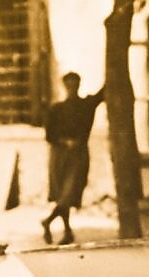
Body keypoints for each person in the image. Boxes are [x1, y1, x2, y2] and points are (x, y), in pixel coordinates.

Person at [42, 72, 105, 245]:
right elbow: (49, 135)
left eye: (75, 85)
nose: (72, 88)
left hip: (78, 155)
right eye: (69, 85)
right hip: (59, 154)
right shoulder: (56, 109)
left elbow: (103, 93)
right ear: (64, 86)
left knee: (70, 192)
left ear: (79, 85)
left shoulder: (86, 105)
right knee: (63, 193)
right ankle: (67, 231)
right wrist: (64, 141)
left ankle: (48, 221)